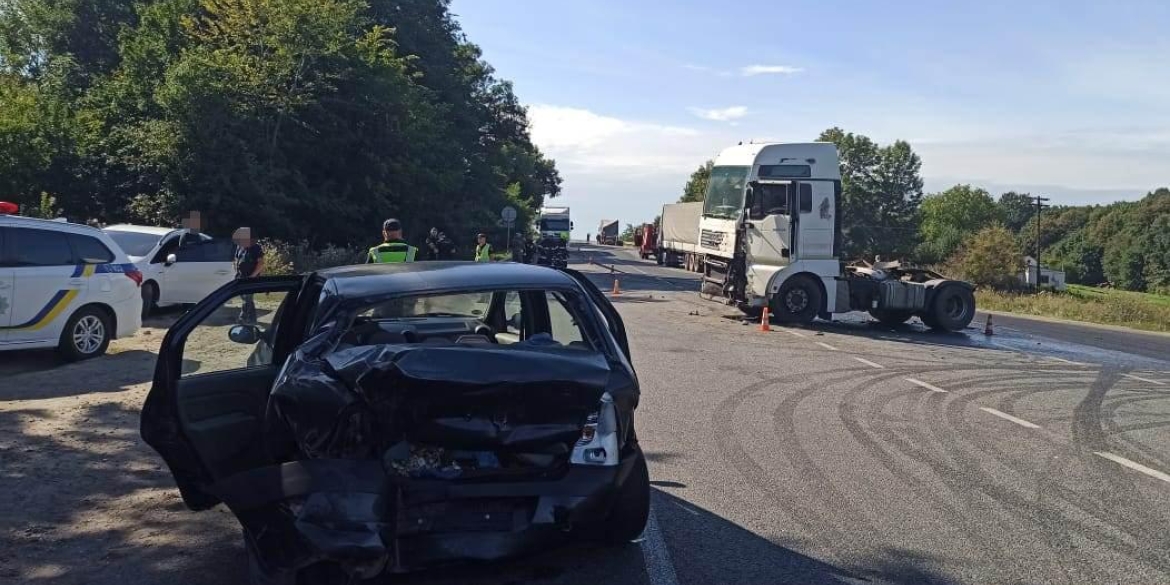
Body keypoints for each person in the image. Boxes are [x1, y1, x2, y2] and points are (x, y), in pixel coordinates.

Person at [232, 227, 265, 324]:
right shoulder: (240, 247)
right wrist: (236, 272)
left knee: (247, 298)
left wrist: (253, 276)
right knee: (246, 298)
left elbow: (261, 264)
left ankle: (243, 318)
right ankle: (252, 319)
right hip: (241, 277)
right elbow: (236, 260)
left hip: (251, 278)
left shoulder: (255, 247)